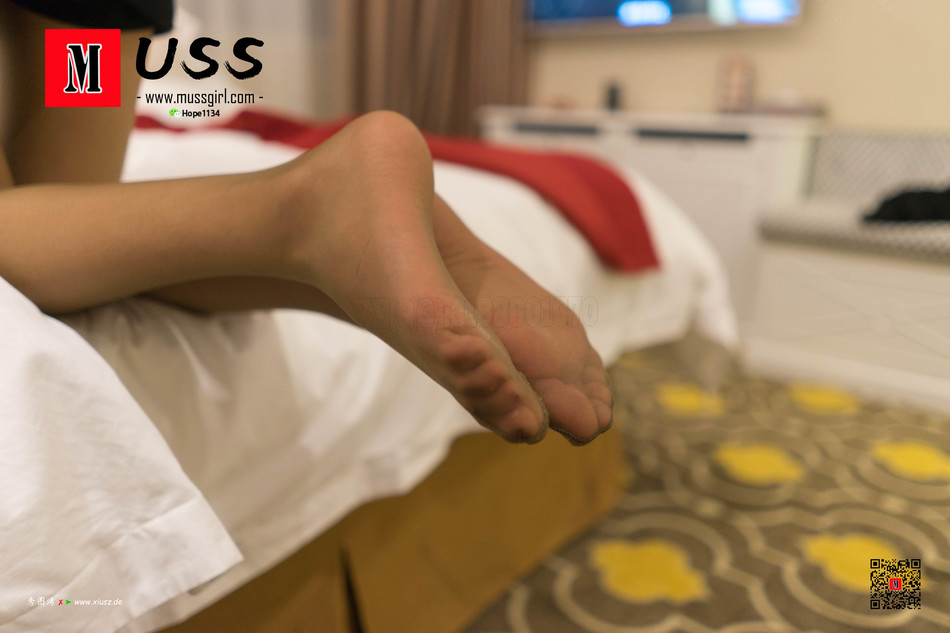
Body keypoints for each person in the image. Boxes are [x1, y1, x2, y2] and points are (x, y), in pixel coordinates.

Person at [0, 0, 613, 445]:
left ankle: (301, 209)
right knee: (65, 221)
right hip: (93, 19)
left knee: (17, 233)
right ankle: (327, 261)